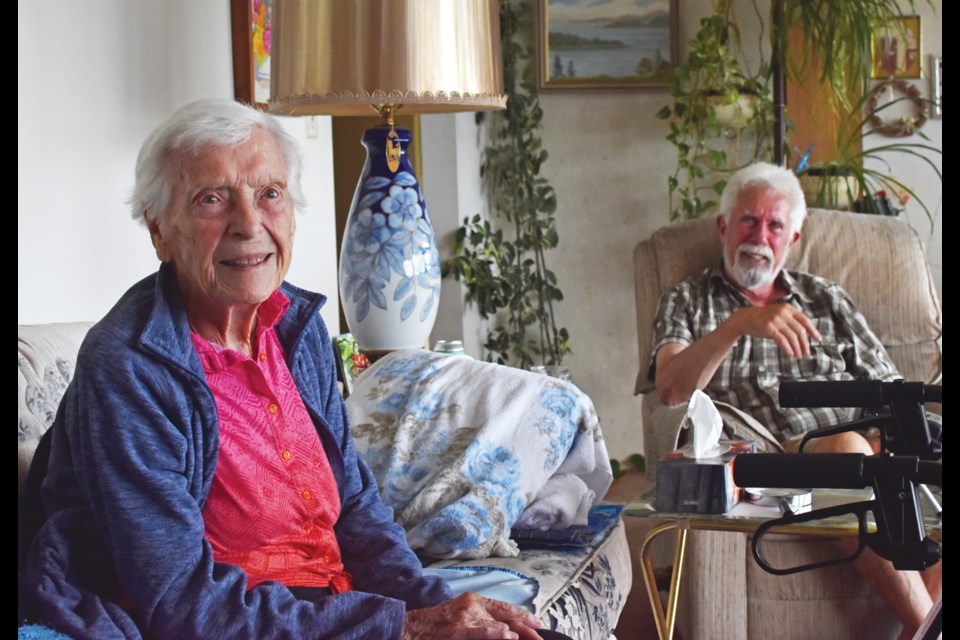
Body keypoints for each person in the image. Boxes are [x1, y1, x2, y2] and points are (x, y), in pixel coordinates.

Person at [19, 99, 544, 640]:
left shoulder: (296, 328)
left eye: (269, 194)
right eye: (211, 200)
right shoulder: (130, 368)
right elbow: (181, 604)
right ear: (160, 231)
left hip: (327, 609)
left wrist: (434, 604)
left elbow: (356, 507)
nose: (248, 224)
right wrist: (404, 629)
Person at [648, 162, 940, 640]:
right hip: (773, 454)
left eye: (775, 224)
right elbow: (673, 390)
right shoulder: (687, 300)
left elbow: (888, 383)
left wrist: (881, 437)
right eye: (748, 220)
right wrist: (738, 325)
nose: (759, 235)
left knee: (876, 449)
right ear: (723, 226)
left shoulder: (827, 299)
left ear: (794, 239)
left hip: (859, 441)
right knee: (848, 451)